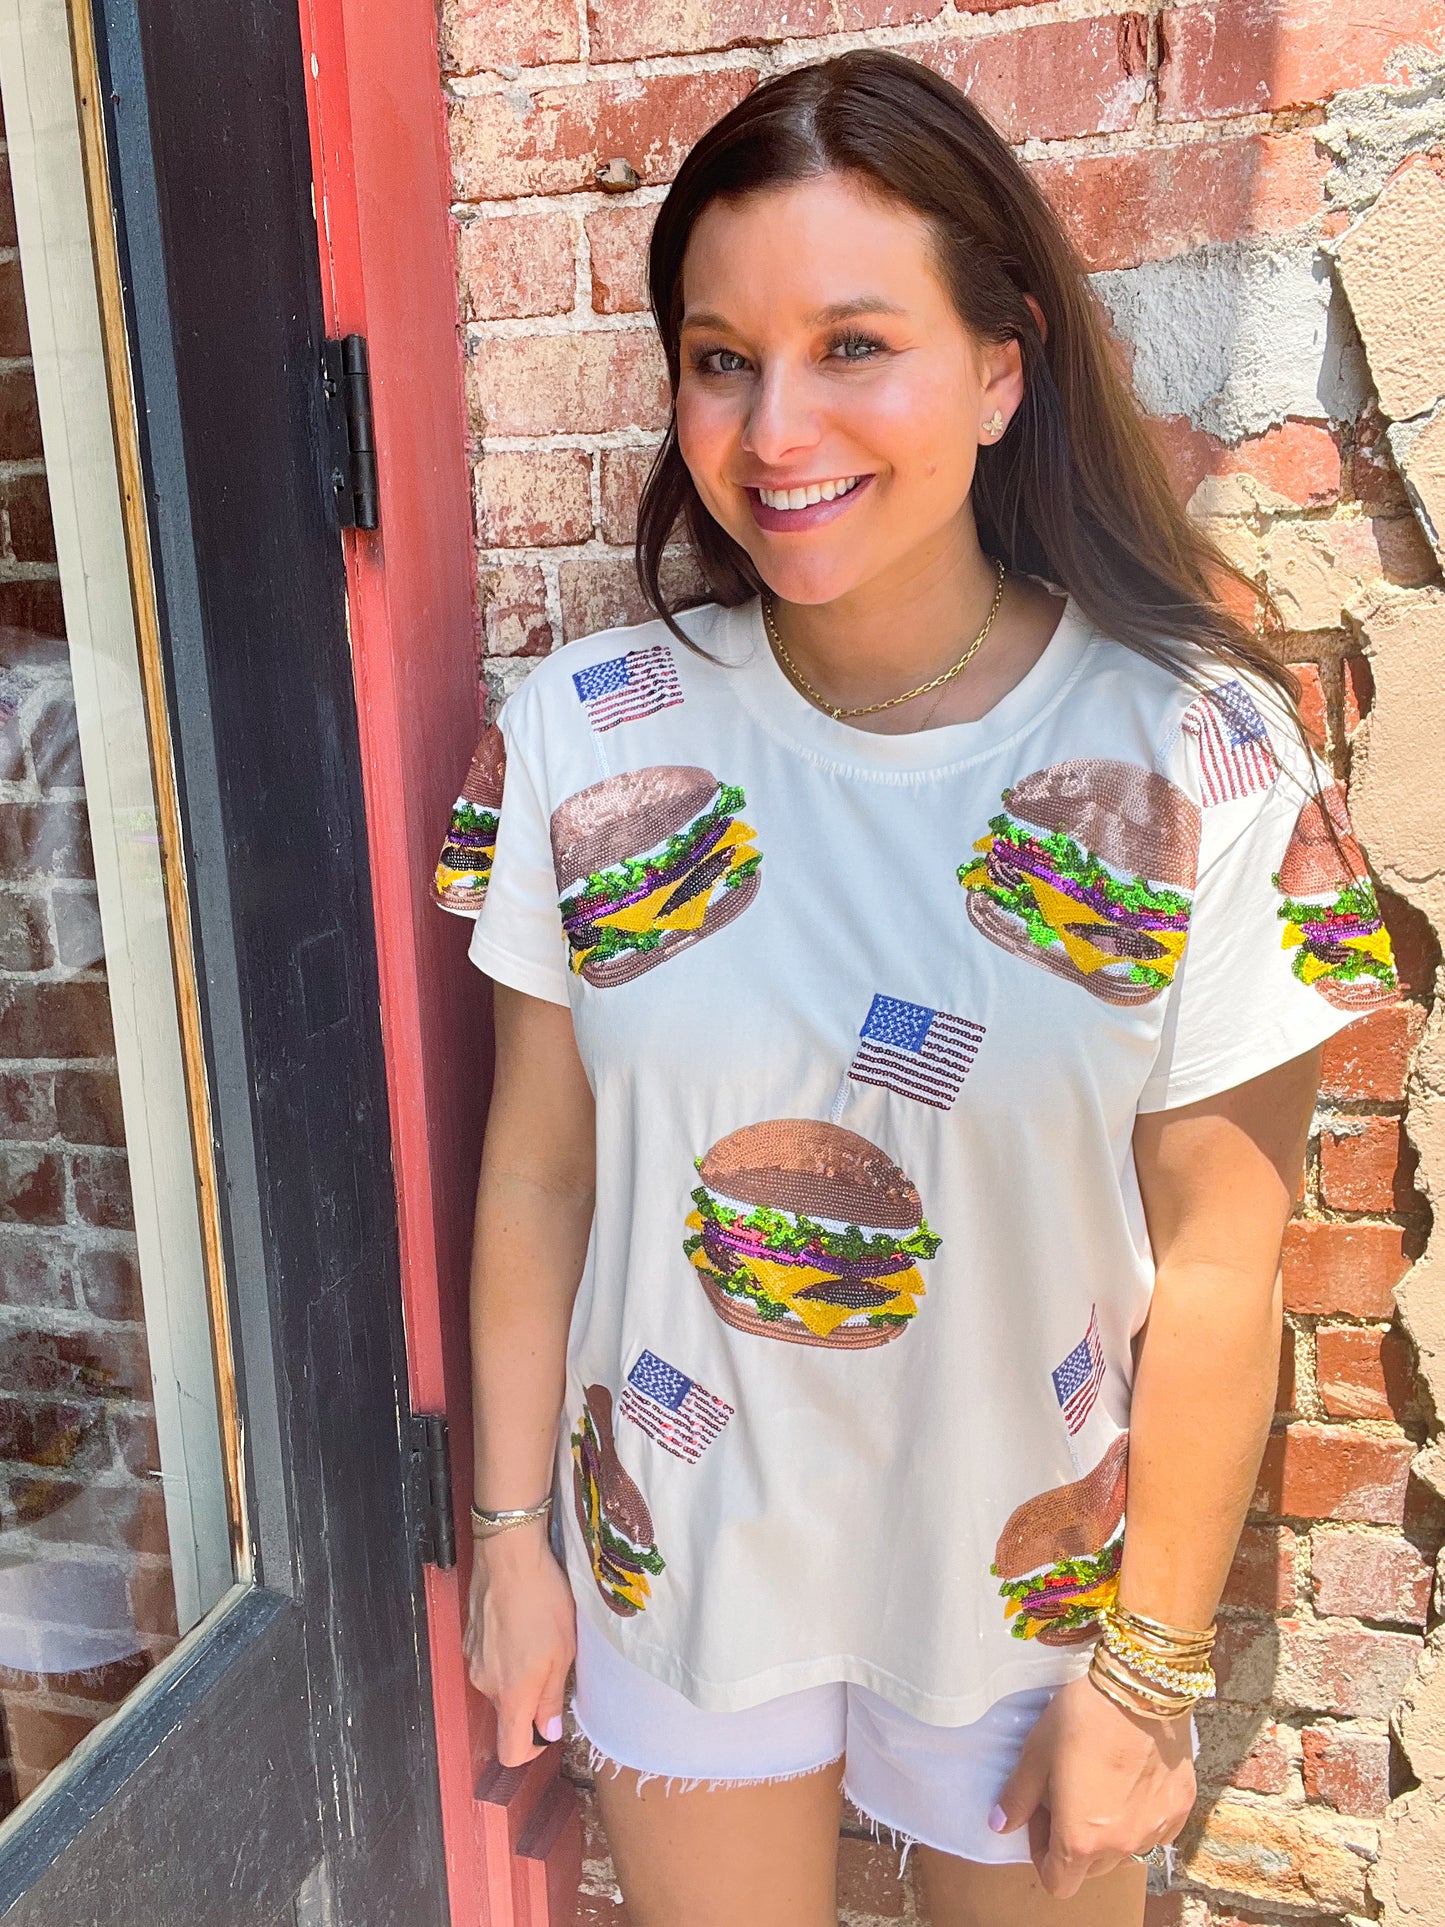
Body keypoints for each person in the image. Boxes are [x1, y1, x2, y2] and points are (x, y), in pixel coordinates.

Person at [437, 50, 1399, 1927]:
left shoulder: (1196, 756)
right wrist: (507, 1537)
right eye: (721, 357)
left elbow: (1218, 1260)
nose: (773, 425)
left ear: (1000, 365)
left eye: (852, 343)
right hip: (681, 1558)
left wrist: (1150, 1672)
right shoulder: (577, 742)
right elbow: (540, 1168)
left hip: (1040, 1604)